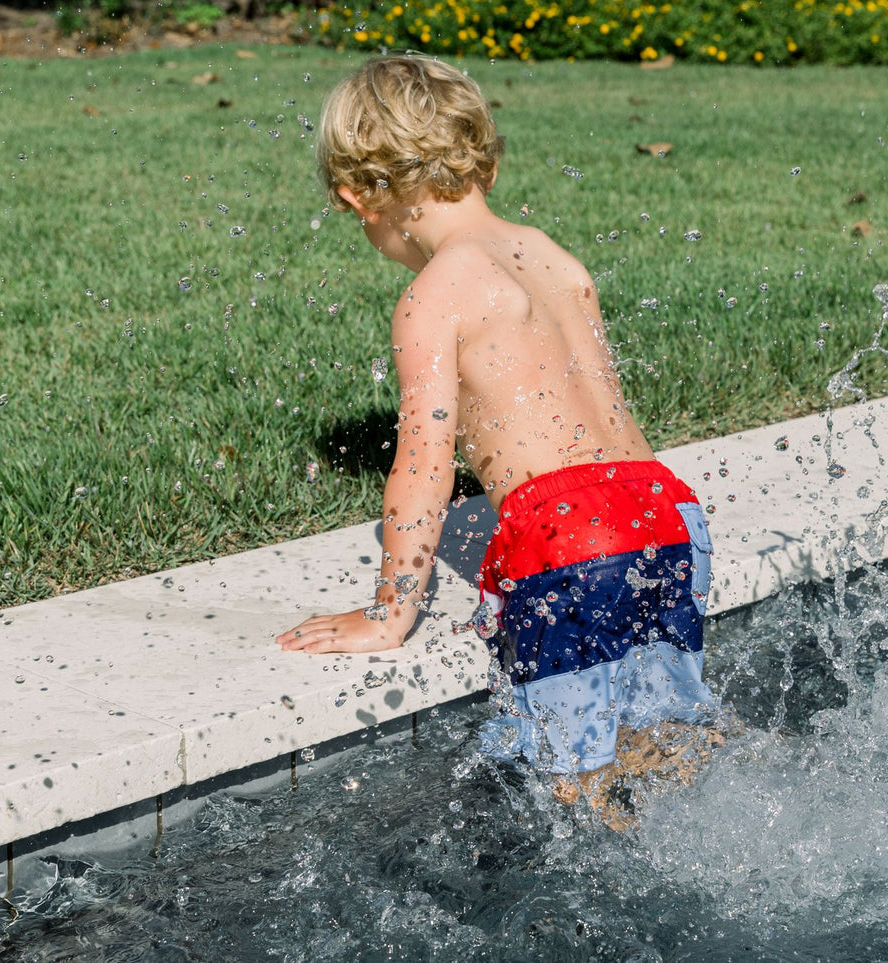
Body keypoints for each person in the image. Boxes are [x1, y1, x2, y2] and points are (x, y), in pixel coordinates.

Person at [277, 56, 718, 812]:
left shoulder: (433, 293)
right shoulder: (552, 255)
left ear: (358, 199)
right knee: (669, 738)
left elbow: (423, 459)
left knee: (574, 780)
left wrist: (391, 610)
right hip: (665, 513)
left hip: (567, 534)